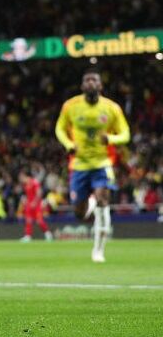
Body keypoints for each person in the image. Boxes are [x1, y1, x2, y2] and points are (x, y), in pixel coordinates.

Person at [55, 69, 130, 262]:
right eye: (86, 80)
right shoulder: (70, 106)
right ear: (82, 86)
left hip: (102, 163)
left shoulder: (112, 108)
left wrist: (110, 138)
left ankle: (98, 251)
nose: (90, 83)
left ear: (100, 85)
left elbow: (125, 134)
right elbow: (59, 129)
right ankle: (91, 202)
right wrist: (69, 145)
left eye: (94, 80)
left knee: (103, 200)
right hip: (79, 165)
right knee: (80, 214)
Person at [18, 170, 52, 242]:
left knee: (39, 220)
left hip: (36, 205)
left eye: (21, 177)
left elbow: (39, 192)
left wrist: (35, 201)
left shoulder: (34, 182)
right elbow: (28, 195)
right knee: (28, 221)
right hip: (29, 205)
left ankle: (48, 233)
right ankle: (28, 236)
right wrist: (25, 200)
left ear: (25, 176)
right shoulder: (25, 184)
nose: (20, 179)